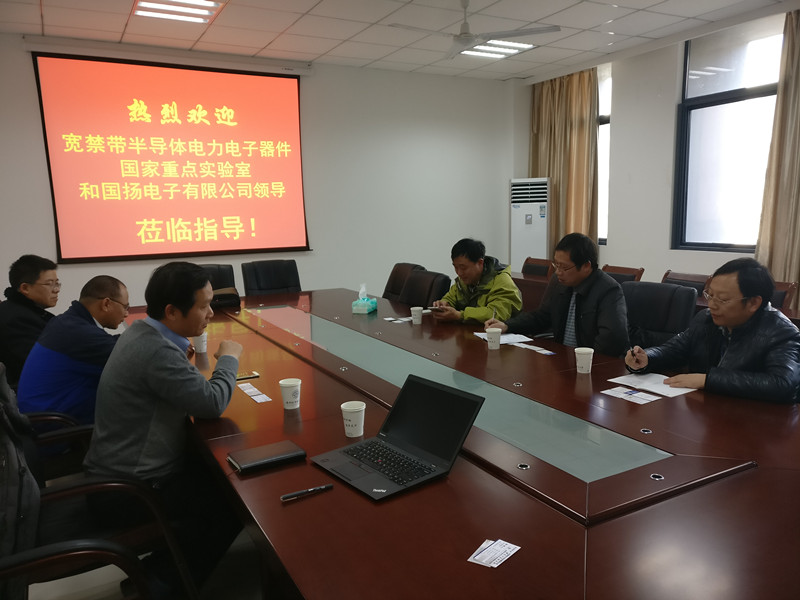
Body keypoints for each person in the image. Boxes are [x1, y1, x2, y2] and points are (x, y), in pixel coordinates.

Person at [83, 261, 243, 594]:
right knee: (232, 502)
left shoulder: (141, 331)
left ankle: (156, 570)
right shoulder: (156, 350)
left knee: (217, 473)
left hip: (114, 475)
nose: (211, 313)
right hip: (130, 490)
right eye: (204, 306)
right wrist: (229, 357)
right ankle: (159, 585)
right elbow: (212, 402)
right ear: (171, 311)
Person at [625, 258, 800, 404]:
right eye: (711, 295)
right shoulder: (707, 319)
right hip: (708, 412)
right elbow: (675, 349)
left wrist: (707, 380)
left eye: (722, 299)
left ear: (753, 303)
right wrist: (647, 358)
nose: (712, 305)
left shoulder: (782, 332)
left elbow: (782, 384)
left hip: (754, 422)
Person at [484, 233, 629, 357]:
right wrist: (507, 325)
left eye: (564, 267)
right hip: (563, 359)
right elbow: (542, 317)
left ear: (586, 266)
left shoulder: (609, 290)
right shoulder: (558, 282)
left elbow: (612, 340)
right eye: (556, 265)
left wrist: (584, 361)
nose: (558, 272)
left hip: (591, 365)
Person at [16, 276, 129, 424]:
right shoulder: (80, 334)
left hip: (39, 416)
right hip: (58, 426)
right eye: (125, 307)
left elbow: (111, 344)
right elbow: (132, 356)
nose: (126, 314)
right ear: (106, 304)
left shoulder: (66, 322)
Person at [0, 255, 59, 388]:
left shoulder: (25, 311)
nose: (56, 290)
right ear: (25, 288)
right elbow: (44, 366)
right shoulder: (17, 319)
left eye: (57, 283)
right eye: (49, 284)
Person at [432, 238, 522, 324]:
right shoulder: (464, 279)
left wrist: (460, 315)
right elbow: (451, 297)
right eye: (455, 267)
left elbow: (495, 314)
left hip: (499, 333)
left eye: (463, 267)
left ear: (480, 263)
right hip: (471, 331)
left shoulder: (501, 281)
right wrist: (444, 304)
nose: (459, 273)